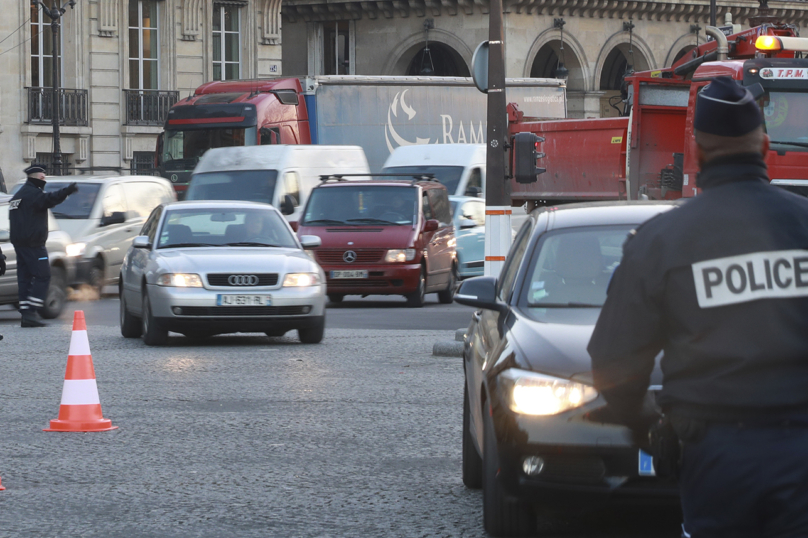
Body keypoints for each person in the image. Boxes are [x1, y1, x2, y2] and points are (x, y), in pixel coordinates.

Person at [588, 77, 808, 537]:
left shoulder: (661, 242)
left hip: (717, 457)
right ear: (765, 145)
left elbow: (613, 360)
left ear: (699, 151)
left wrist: (648, 427)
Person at [10, 165, 77, 327]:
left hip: (20, 244)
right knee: (43, 275)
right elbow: (50, 199)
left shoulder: (18, 196)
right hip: (34, 244)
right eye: (42, 178)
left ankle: (26, 314)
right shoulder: (34, 194)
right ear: (34, 178)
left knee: (25, 278)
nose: (44, 181)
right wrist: (67, 191)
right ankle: (33, 309)